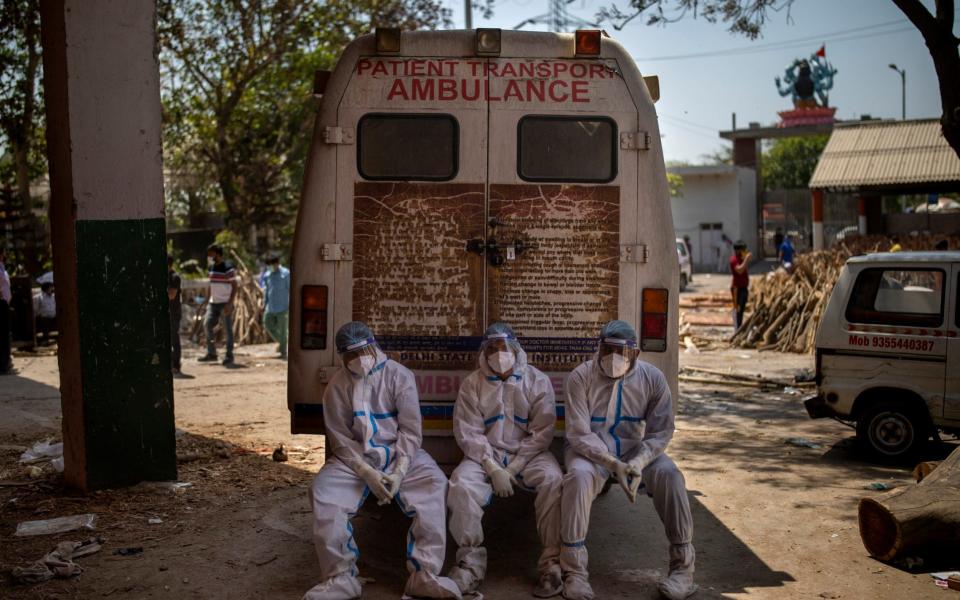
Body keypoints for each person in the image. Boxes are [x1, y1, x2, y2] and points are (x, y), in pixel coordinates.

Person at [304, 322, 461, 600]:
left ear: (374, 346)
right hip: (354, 462)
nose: (359, 359)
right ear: (342, 357)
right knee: (324, 492)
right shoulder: (336, 387)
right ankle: (341, 578)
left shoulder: (400, 376)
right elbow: (340, 439)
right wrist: (366, 472)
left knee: (434, 485)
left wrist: (400, 471)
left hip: (400, 455)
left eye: (363, 351)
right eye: (351, 355)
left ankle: (424, 575)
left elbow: (411, 432)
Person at [560, 321, 696, 600]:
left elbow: (661, 432)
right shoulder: (580, 377)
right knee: (579, 477)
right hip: (592, 452)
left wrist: (639, 461)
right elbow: (578, 433)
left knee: (670, 475)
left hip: (637, 451)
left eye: (622, 352)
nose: (614, 358)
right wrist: (612, 464)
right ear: (599, 348)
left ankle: (683, 570)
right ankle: (574, 573)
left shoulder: (653, 379)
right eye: (608, 350)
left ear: (636, 353)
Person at [446, 323, 563, 598]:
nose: (499, 354)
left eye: (504, 348)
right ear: (484, 353)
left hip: (530, 455)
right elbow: (469, 432)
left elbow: (542, 431)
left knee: (553, 480)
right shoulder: (473, 383)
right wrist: (491, 467)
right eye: (492, 349)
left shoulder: (537, 380)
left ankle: (552, 564)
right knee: (461, 484)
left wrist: (513, 468)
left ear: (516, 349)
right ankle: (469, 565)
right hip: (486, 456)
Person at [199, 244, 238, 366]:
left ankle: (229, 355)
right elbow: (212, 284)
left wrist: (230, 303)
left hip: (225, 303)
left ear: (217, 253)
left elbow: (235, 286)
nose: (209, 256)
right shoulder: (211, 268)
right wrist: (206, 300)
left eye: (211, 253)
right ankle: (212, 353)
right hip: (213, 303)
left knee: (227, 330)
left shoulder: (228, 267)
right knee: (207, 325)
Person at [260, 255, 290, 359]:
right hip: (270, 307)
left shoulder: (285, 274)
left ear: (277, 263)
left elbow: (291, 289)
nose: (269, 267)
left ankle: (283, 351)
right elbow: (267, 290)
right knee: (267, 324)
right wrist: (264, 303)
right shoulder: (267, 275)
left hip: (283, 307)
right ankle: (282, 341)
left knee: (282, 329)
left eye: (271, 265)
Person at [167, 255, 185, 376]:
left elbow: (171, 295)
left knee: (174, 338)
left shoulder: (174, 277)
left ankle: (176, 365)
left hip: (174, 312)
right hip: (168, 312)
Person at [730, 240, 751, 329]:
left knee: (742, 308)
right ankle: (737, 328)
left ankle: (740, 326)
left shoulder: (741, 258)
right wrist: (746, 259)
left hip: (744, 287)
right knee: (737, 309)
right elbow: (739, 270)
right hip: (737, 288)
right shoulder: (734, 259)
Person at [0, 247, 13, 374]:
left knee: (5, 334)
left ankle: (5, 362)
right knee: (2, 334)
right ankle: (3, 364)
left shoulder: (2, 268)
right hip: (1, 303)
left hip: (4, 303)